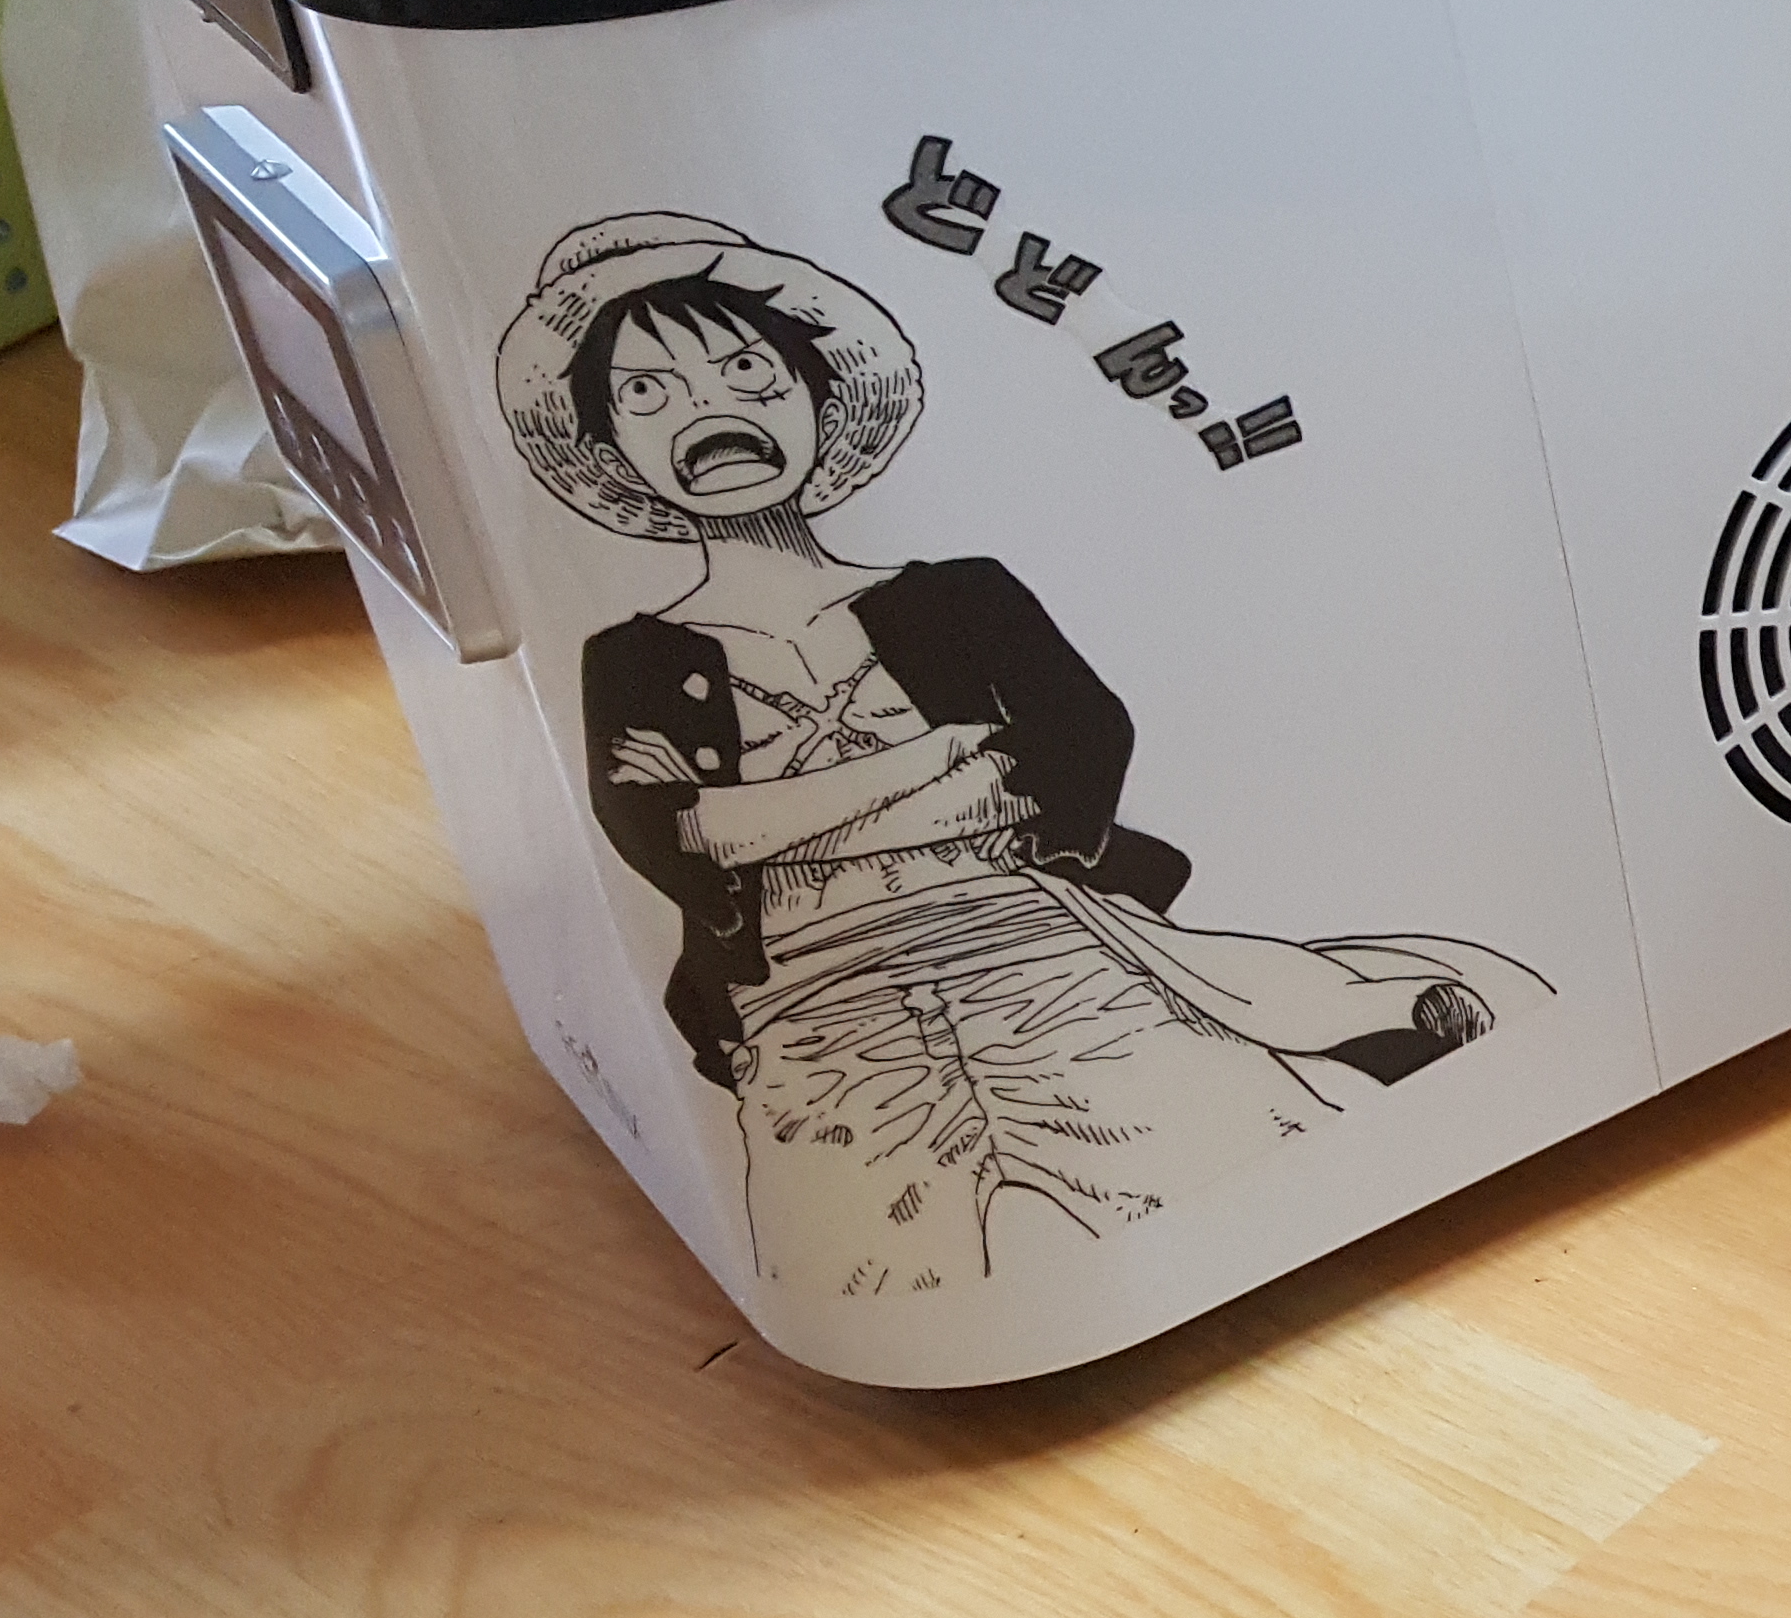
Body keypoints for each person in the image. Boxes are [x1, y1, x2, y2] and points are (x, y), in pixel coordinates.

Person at [498, 212, 1536, 1298]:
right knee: (866, 1284)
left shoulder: (964, 596)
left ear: (818, 400)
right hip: (807, 1015)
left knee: (1238, 1160)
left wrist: (765, 823)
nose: (711, 410)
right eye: (647, 393)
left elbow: (1076, 748)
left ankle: (1370, 1034)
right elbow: (667, 839)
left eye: (749, 372)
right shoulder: (630, 658)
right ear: (611, 451)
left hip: (1041, 956)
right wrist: (933, 760)